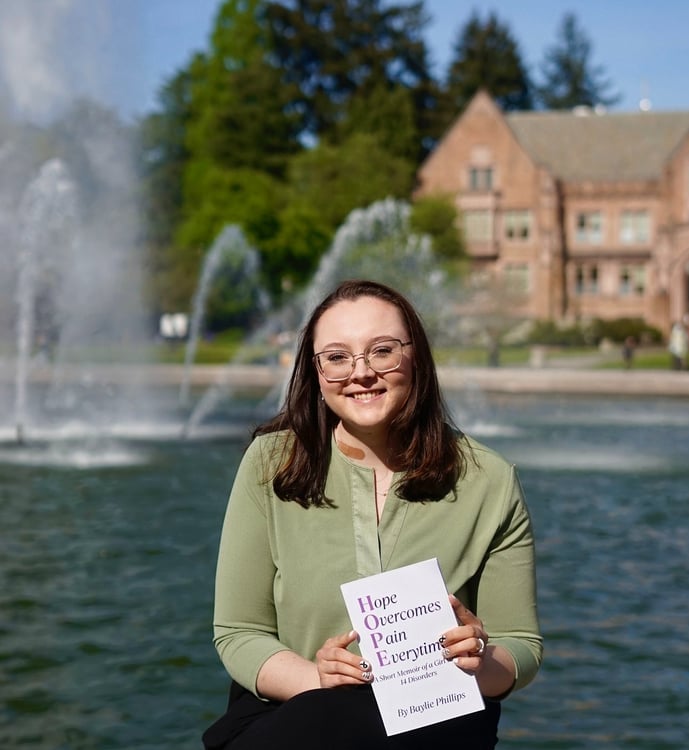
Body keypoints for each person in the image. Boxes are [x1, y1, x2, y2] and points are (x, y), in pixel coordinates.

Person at [202, 279, 542, 750]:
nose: (360, 373)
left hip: (434, 720)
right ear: (316, 372)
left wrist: (481, 662)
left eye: (382, 351)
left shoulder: (490, 480)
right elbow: (239, 633)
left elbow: (522, 644)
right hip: (292, 715)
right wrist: (317, 678)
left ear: (416, 357)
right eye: (337, 358)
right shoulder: (269, 462)